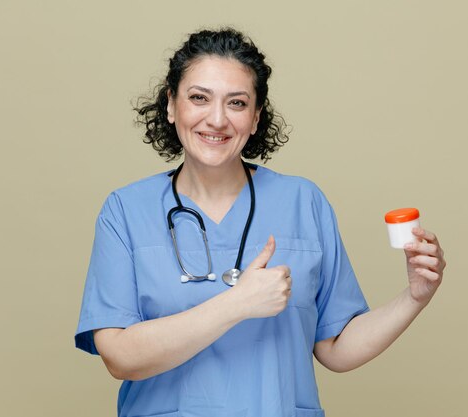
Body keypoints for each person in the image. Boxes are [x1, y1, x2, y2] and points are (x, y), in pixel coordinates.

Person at [75, 28, 446, 417]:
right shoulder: (125, 211)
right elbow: (119, 357)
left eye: (236, 103)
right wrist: (237, 304)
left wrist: (414, 297)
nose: (216, 119)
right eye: (199, 98)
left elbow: (336, 348)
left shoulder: (304, 202)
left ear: (255, 118)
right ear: (171, 105)